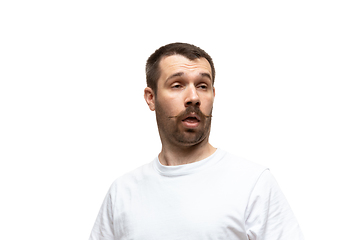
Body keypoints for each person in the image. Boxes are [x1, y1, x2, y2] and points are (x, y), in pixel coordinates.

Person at [89, 42, 304, 240]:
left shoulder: (253, 183)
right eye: (177, 85)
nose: (194, 97)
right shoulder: (122, 193)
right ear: (151, 97)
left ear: (213, 94)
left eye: (202, 85)